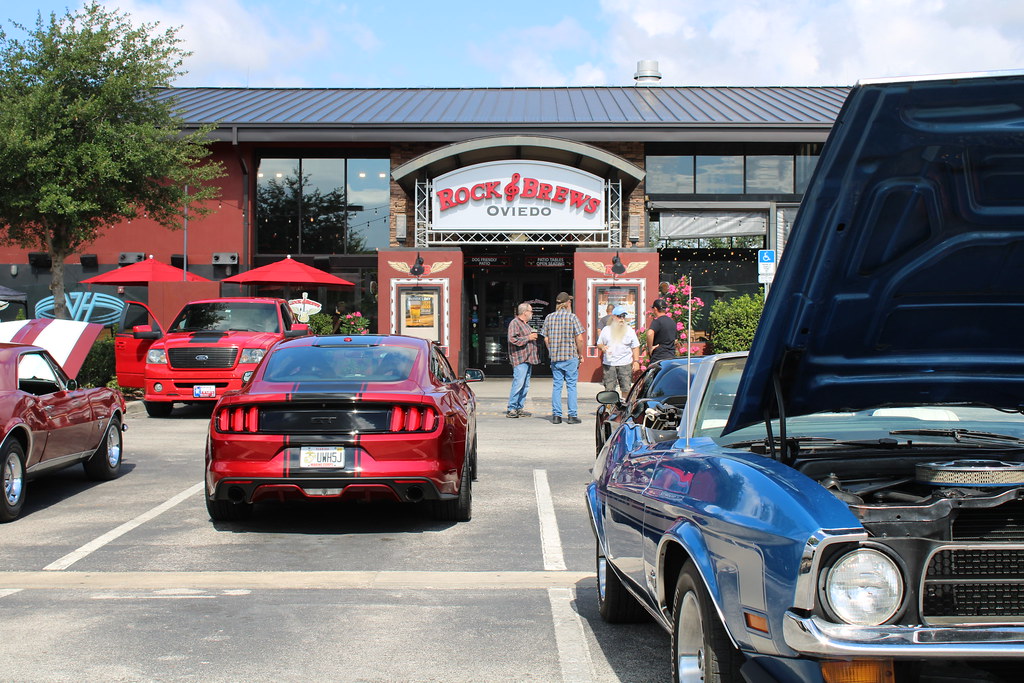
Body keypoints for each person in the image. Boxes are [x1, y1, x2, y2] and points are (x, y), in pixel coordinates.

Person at [541, 291, 585, 424]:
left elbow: (546, 338)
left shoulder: (549, 317)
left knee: (557, 386)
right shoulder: (572, 317)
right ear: (568, 303)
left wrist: (552, 351)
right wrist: (580, 354)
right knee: (571, 386)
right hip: (570, 356)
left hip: (556, 358)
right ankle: (572, 416)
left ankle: (556, 416)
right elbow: (580, 339)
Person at [506, 302, 540, 418]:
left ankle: (519, 407)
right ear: (524, 312)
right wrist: (528, 337)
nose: (532, 313)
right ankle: (512, 408)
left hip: (528, 358)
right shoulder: (515, 323)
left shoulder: (526, 324)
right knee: (518, 384)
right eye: (530, 311)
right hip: (520, 359)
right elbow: (512, 339)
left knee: (525, 385)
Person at [597, 305, 640, 394]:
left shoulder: (629, 330)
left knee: (626, 389)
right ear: (613, 317)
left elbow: (635, 346)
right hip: (609, 364)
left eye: (623, 316)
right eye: (619, 316)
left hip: (625, 364)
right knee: (609, 391)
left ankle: (624, 407)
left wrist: (636, 361)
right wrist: (602, 347)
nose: (621, 319)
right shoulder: (606, 330)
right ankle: (610, 407)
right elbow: (599, 343)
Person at [647, 298, 677, 363]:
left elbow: (650, 333)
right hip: (670, 356)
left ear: (655, 309)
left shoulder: (657, 321)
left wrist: (650, 348)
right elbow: (675, 340)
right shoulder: (672, 322)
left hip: (659, 356)